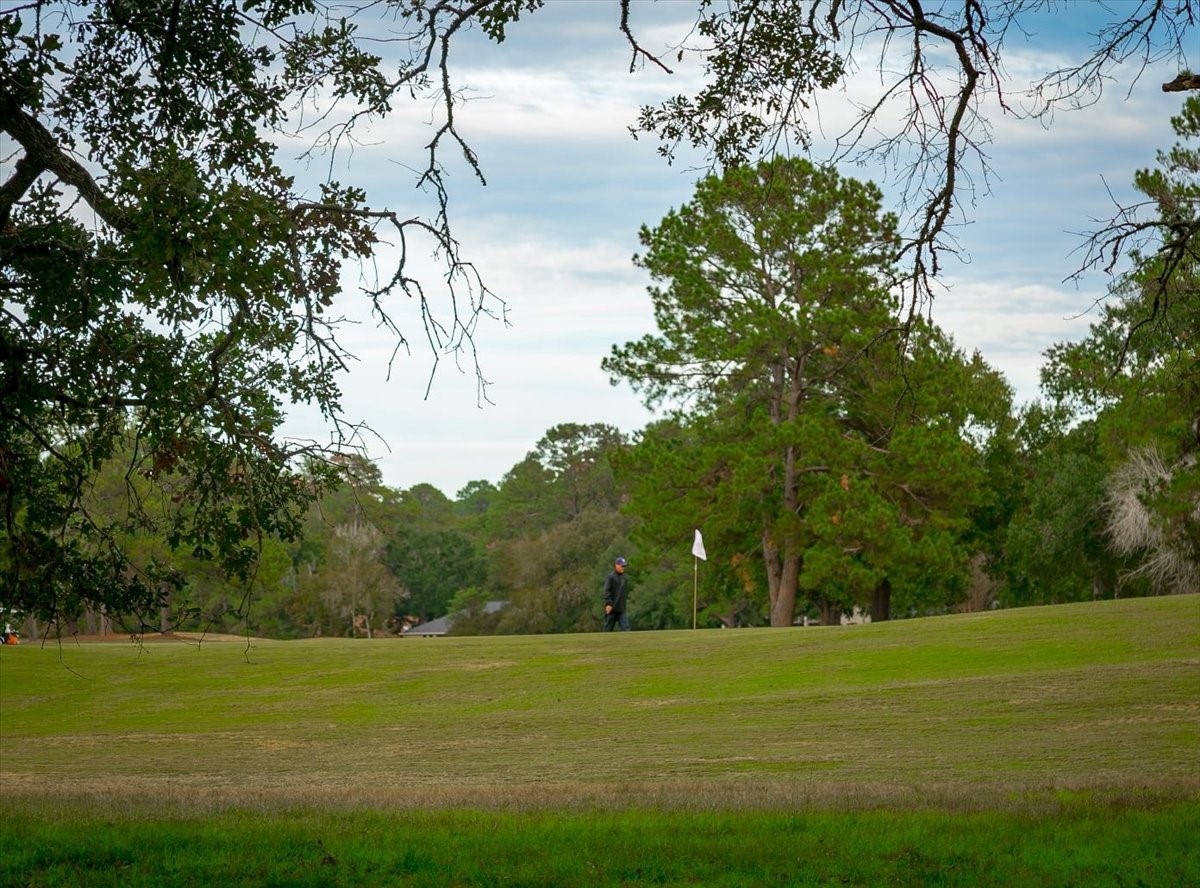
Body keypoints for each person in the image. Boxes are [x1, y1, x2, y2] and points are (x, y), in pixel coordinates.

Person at [602, 557, 631, 631]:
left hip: (621, 609)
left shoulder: (625, 578)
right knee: (608, 629)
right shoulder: (610, 577)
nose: (623, 568)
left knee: (626, 629)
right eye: (622, 566)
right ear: (616, 565)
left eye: (624, 566)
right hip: (611, 609)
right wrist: (609, 604)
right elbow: (606, 591)